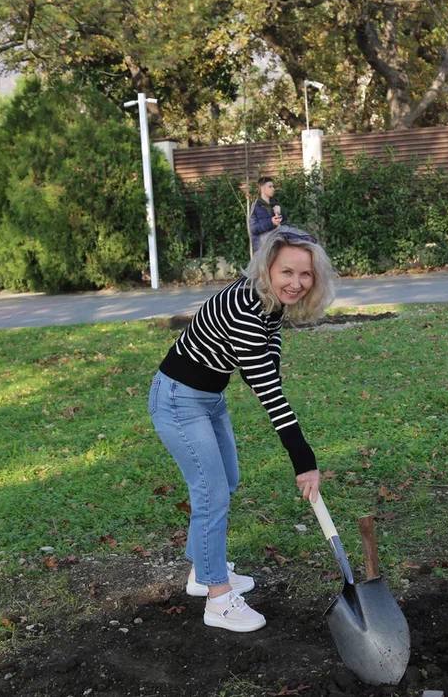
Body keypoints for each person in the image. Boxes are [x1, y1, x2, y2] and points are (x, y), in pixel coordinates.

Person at [148, 226, 335, 632]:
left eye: (305, 275)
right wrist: (305, 462)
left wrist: (270, 377)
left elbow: (266, 366)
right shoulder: (245, 307)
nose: (297, 283)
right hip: (179, 401)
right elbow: (269, 393)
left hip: (206, 397)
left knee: (225, 481)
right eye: (287, 272)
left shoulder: (268, 301)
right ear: (267, 267)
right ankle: (217, 599)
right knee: (211, 493)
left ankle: (203, 571)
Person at [249, 177, 283, 252]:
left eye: (273, 186)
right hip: (263, 249)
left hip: (277, 245)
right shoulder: (255, 206)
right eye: (270, 186)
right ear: (262, 188)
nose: (273, 189)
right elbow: (253, 229)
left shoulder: (275, 203)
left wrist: (279, 213)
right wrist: (271, 222)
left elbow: (284, 223)